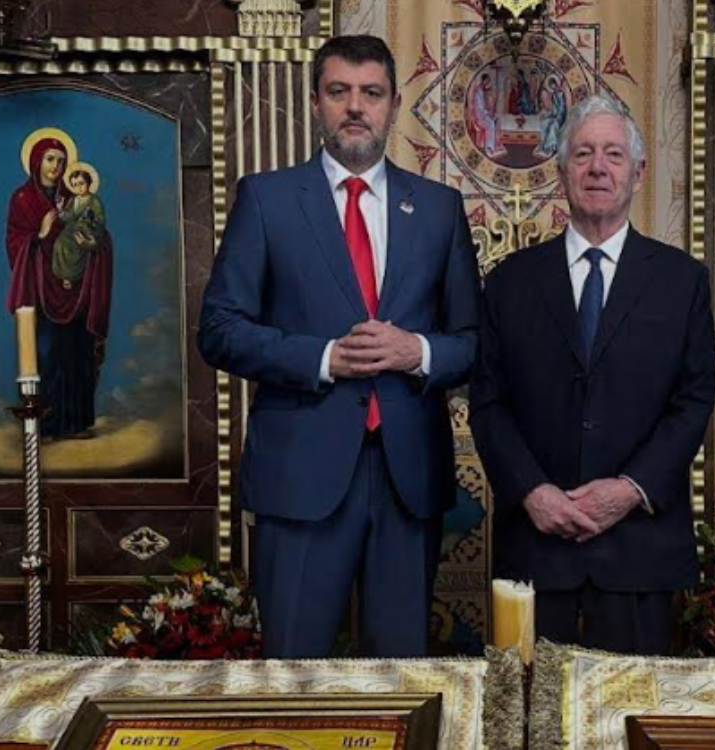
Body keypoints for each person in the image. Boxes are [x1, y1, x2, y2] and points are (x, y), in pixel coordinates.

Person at [198, 35, 480, 658]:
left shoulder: (439, 209)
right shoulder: (266, 199)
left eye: (371, 93)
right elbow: (218, 329)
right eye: (339, 92)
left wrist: (417, 352)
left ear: (394, 105)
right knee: (294, 675)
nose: (356, 106)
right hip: (300, 477)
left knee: (402, 677)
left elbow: (473, 343)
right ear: (315, 103)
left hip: (408, 479)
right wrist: (324, 358)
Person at [470, 95, 715, 655]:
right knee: (528, 703)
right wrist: (532, 491)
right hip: (536, 549)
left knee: (631, 705)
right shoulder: (509, 282)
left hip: (641, 551)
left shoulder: (682, 281)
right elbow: (488, 402)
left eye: (612, 154)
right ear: (561, 172)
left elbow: (694, 401)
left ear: (638, 173)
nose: (597, 168)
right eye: (582, 154)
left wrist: (629, 490)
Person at [6, 136, 114, 439]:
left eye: (61, 160)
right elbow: (15, 242)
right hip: (43, 289)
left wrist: (93, 242)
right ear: (36, 160)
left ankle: (76, 424)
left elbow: (100, 235)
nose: (56, 166)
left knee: (78, 354)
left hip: (77, 290)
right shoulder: (23, 199)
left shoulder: (75, 195)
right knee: (49, 353)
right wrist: (39, 234)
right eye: (50, 159)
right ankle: (48, 426)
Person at [53, 163, 107, 288]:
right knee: (59, 243)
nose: (79, 188)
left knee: (77, 246)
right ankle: (65, 276)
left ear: (88, 183)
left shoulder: (94, 201)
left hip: (87, 230)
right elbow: (68, 217)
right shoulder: (73, 200)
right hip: (71, 229)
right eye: (75, 185)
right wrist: (60, 209)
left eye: (81, 183)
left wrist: (91, 225)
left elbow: (100, 220)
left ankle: (75, 275)